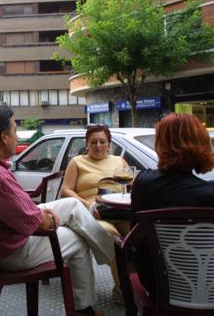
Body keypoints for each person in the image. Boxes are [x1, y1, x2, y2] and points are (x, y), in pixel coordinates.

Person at [0, 106, 114, 316]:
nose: (17, 135)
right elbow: (37, 223)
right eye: (14, 130)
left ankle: (112, 255)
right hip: (10, 251)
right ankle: (85, 307)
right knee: (78, 239)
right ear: (4, 137)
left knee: (73, 206)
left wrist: (41, 215)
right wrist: (48, 220)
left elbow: (16, 209)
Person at [130, 113, 214, 316]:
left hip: (157, 285)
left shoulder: (140, 182)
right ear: (202, 144)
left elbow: (136, 239)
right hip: (208, 291)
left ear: (160, 145)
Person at [60, 124, 130, 300]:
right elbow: (66, 190)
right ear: (87, 144)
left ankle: (139, 283)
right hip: (92, 213)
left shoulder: (119, 161)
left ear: (109, 144)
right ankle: (123, 288)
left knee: (136, 236)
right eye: (94, 142)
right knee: (112, 238)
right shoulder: (77, 162)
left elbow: (131, 184)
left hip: (119, 210)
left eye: (102, 142)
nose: (98, 146)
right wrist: (86, 204)